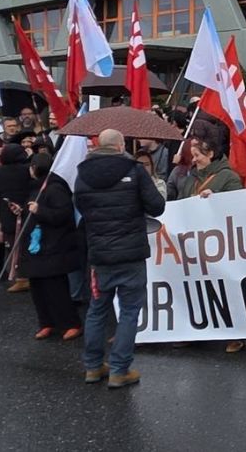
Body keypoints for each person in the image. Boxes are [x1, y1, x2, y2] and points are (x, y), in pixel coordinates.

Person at [73, 129, 166, 389]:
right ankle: (119, 369)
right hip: (131, 252)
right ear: (120, 145)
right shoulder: (134, 170)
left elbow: (80, 206)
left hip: (99, 254)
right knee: (129, 311)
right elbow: (157, 206)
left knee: (97, 309)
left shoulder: (82, 173)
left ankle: (92, 367)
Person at [176, 123, 246, 352]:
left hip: (221, 244)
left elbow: (238, 209)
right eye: (192, 155)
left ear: (211, 154)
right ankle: (195, 330)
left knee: (224, 288)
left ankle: (234, 333)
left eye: (198, 155)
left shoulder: (228, 177)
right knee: (196, 287)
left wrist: (217, 199)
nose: (193, 159)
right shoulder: (189, 178)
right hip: (195, 244)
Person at [19, 153, 85, 342]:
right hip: (37, 247)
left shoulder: (55, 188)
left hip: (54, 247)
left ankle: (71, 323)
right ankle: (46, 322)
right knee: (38, 288)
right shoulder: (37, 187)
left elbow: (63, 215)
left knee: (56, 288)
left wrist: (40, 211)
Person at [0, 144, 37, 294]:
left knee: (13, 245)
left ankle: (20, 277)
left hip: (7, 211)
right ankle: (30, 275)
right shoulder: (27, 169)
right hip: (27, 208)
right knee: (29, 243)